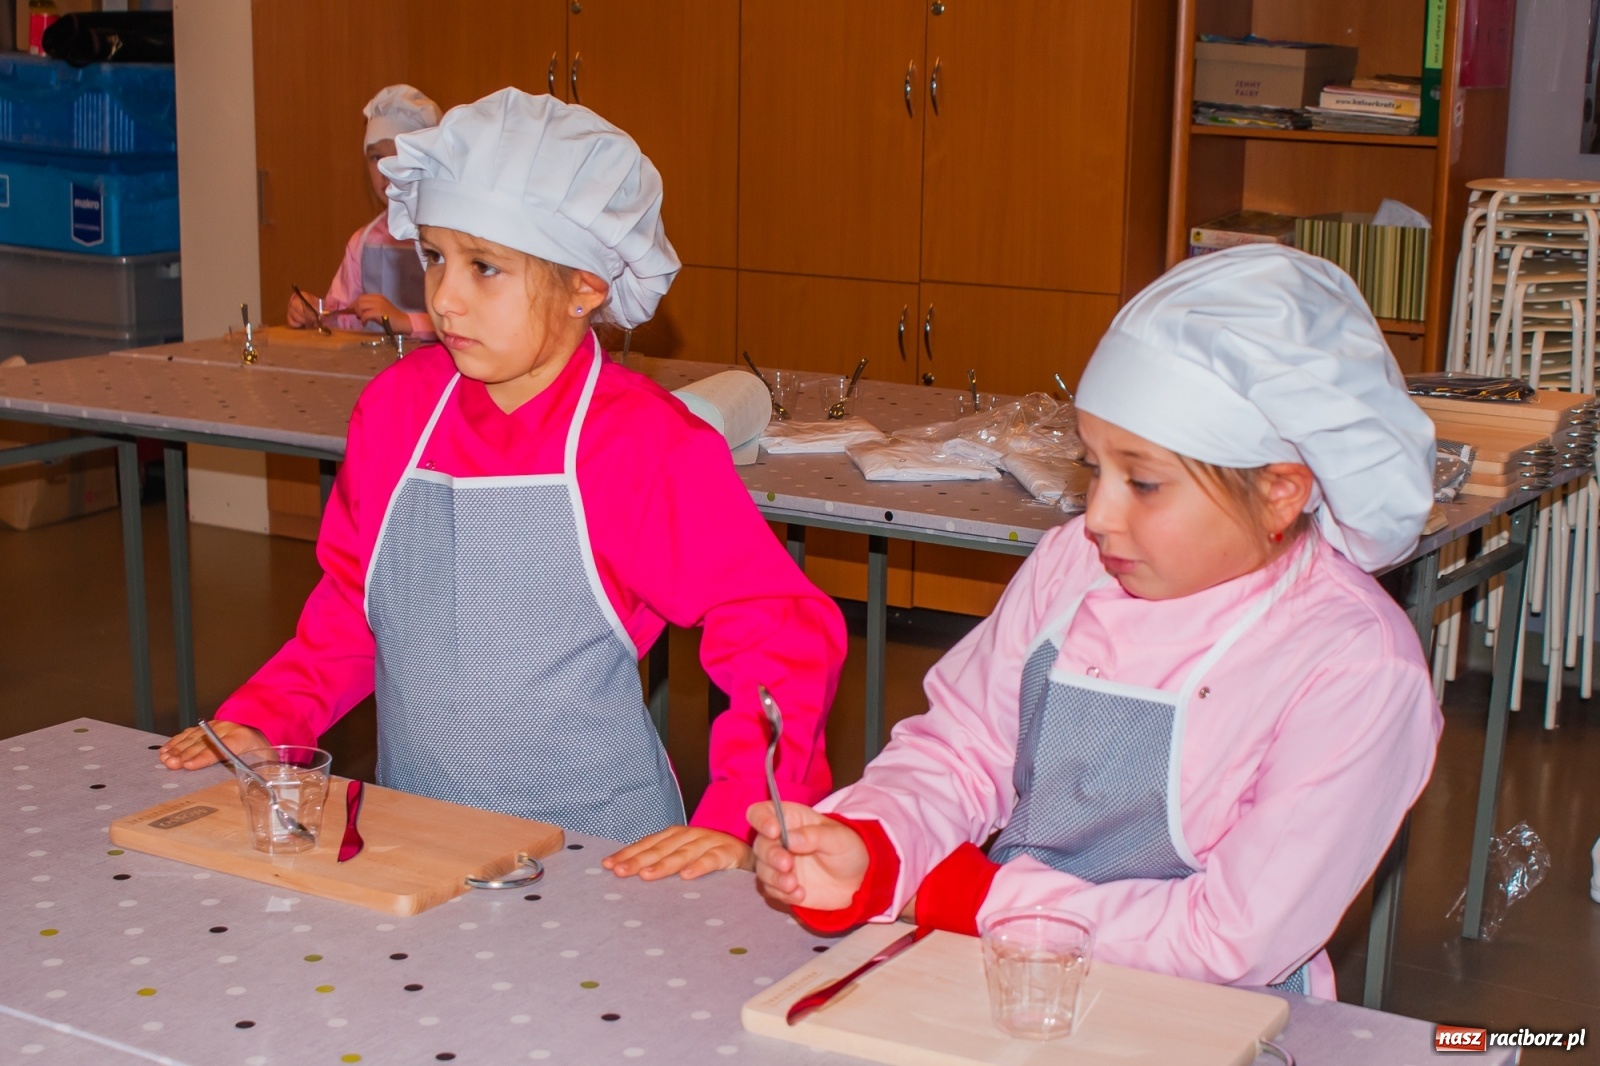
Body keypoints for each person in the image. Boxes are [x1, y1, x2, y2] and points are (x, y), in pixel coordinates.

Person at [164, 88, 848, 881]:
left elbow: (778, 632)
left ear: (585, 287)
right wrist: (267, 716)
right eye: (436, 257)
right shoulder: (396, 413)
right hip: (419, 840)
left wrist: (741, 814)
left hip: (604, 860)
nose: (445, 297)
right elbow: (358, 605)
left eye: (485, 267)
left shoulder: (639, 444)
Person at [748, 245, 1443, 997]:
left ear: (1280, 491)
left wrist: (975, 903)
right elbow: (966, 746)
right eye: (1093, 469)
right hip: (1009, 971)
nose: (1098, 515)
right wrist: (876, 843)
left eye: (1142, 483)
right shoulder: (1073, 566)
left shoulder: (1357, 666)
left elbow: (1232, 937)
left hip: (1203, 1019)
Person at [285, 84, 441, 339]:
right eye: (376, 157)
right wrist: (317, 312)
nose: (385, 170)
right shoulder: (364, 242)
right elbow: (346, 316)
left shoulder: (447, 237)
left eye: (398, 156)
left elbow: (471, 320)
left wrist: (408, 322)